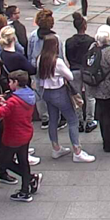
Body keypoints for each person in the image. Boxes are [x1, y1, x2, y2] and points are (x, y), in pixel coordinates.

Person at [0, 70, 41, 202]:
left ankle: (29, 179)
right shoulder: (29, 95)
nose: (8, 84)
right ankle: (25, 189)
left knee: (4, 161)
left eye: (10, 81)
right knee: (23, 161)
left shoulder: (13, 101)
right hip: (25, 132)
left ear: (16, 83)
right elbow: (15, 110)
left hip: (14, 135)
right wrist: (4, 103)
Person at [38, 35, 94, 163]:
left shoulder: (40, 59)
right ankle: (77, 151)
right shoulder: (57, 62)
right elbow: (70, 76)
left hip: (46, 92)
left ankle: (56, 148)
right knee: (72, 120)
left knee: (53, 119)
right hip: (59, 92)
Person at [83, 25, 110, 153]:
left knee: (102, 114)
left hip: (96, 86)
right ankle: (109, 143)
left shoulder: (93, 47)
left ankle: (105, 136)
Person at [66, 12, 97, 133]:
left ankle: (79, 121)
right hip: (87, 70)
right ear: (85, 26)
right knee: (90, 96)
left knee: (76, 97)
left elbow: (68, 56)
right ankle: (90, 120)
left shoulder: (69, 41)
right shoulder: (91, 40)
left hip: (74, 70)